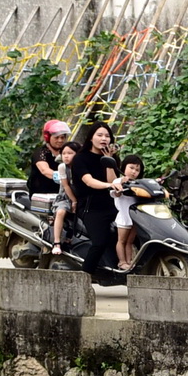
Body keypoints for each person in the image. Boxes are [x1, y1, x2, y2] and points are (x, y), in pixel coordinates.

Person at [70, 121, 123, 287]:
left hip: (112, 205)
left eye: (107, 136)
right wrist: (109, 186)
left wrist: (108, 160)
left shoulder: (111, 158)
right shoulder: (80, 158)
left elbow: (114, 180)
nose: (104, 139)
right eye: (99, 135)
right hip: (91, 208)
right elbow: (89, 181)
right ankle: (84, 279)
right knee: (99, 242)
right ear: (91, 138)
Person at [24, 117, 75, 255]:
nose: (60, 140)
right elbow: (45, 170)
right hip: (42, 191)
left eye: (63, 137)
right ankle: (53, 242)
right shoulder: (40, 153)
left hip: (62, 191)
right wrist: (62, 177)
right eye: (56, 137)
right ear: (48, 137)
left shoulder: (66, 152)